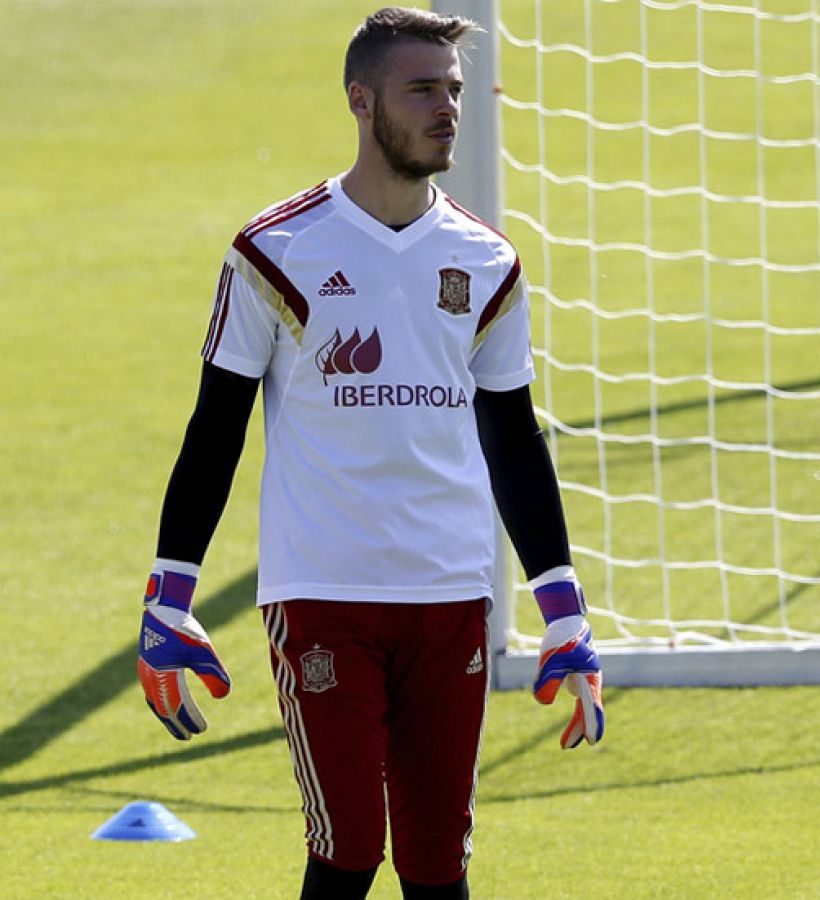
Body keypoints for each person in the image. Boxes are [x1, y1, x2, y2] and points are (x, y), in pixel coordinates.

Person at [134, 8, 603, 899]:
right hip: (323, 596)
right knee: (347, 851)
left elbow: (513, 435)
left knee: (437, 866)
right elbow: (215, 427)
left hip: (450, 594)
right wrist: (171, 592)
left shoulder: (489, 260)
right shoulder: (275, 251)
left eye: (455, 90)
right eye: (423, 89)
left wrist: (564, 612)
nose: (447, 109)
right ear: (361, 100)